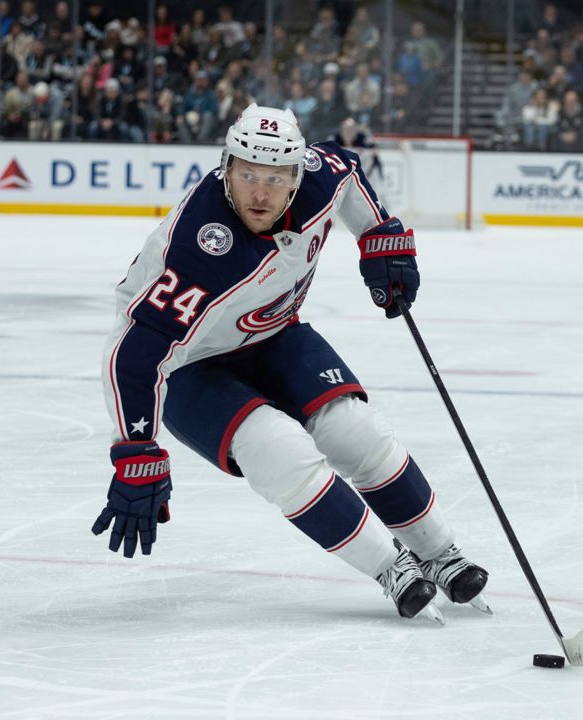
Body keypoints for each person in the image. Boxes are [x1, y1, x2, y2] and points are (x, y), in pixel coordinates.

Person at [94, 104, 490, 620]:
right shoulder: (199, 248)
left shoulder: (319, 180)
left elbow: (346, 170)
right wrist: (136, 447)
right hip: (190, 365)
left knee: (356, 431)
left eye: (277, 177)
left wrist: (379, 236)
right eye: (248, 174)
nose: (260, 192)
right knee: (276, 451)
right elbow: (135, 353)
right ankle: (390, 568)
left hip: (273, 333)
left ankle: (440, 553)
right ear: (226, 168)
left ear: (297, 175)